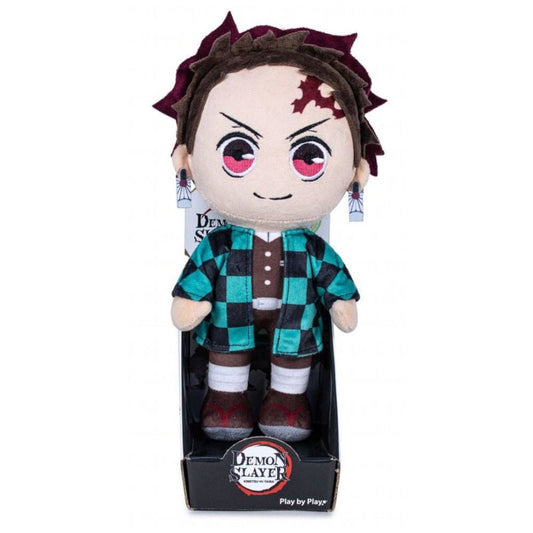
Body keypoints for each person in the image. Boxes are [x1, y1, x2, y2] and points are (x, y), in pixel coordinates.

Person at [154, 12, 384, 441]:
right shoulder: (221, 243)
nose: (273, 182)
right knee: (227, 349)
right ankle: (225, 400)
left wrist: (341, 300)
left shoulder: (311, 247)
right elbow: (202, 269)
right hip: (231, 314)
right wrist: (190, 298)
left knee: (294, 352)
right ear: (186, 159)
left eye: (309, 157)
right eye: (238, 153)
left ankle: (288, 402)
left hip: (295, 315)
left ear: (356, 172)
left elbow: (331, 273)